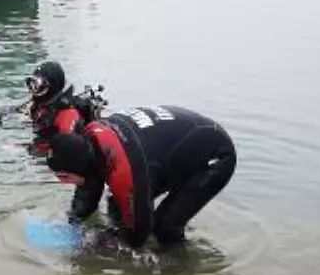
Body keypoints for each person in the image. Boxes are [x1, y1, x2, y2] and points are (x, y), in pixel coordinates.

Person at [46, 105, 237, 248]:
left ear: (78, 168)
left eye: (63, 177)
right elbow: (89, 188)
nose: (62, 182)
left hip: (214, 155)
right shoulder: (90, 139)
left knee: (164, 228)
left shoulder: (124, 172)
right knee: (117, 207)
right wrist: (71, 223)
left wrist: (103, 245)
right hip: (171, 148)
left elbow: (139, 233)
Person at [24, 60, 100, 152]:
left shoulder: (68, 115)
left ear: (51, 87)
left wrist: (25, 148)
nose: (34, 91)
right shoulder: (41, 105)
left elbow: (64, 148)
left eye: (38, 86)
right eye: (32, 85)